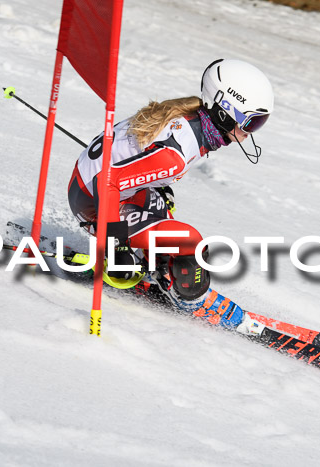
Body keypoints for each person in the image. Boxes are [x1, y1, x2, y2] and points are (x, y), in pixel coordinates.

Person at [67, 58, 274, 332]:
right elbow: (108, 181)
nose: (250, 133)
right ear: (225, 112)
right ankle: (189, 297)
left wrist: (159, 186)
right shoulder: (176, 154)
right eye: (251, 122)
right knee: (191, 243)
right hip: (95, 201)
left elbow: (132, 160)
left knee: (168, 219)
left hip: (107, 189)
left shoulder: (191, 118)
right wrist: (117, 249)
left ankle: (160, 270)